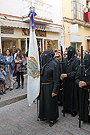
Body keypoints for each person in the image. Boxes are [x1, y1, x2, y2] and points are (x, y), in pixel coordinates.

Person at [39, 50, 60, 127]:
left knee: (50, 104)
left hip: (50, 87)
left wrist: (55, 90)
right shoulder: (42, 64)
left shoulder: (54, 64)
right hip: (43, 86)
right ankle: (44, 116)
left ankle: (52, 118)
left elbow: (56, 79)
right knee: (44, 102)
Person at [61, 46, 80, 117]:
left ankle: (74, 110)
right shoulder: (65, 60)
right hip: (66, 82)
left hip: (72, 81)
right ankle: (66, 108)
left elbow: (76, 72)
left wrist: (67, 75)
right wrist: (62, 75)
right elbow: (62, 69)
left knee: (73, 96)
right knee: (66, 95)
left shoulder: (76, 60)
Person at [75, 54, 90, 123]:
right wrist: (79, 82)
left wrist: (86, 83)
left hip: (88, 90)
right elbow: (76, 77)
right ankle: (82, 116)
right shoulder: (80, 67)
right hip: (81, 90)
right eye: (85, 59)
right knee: (82, 103)